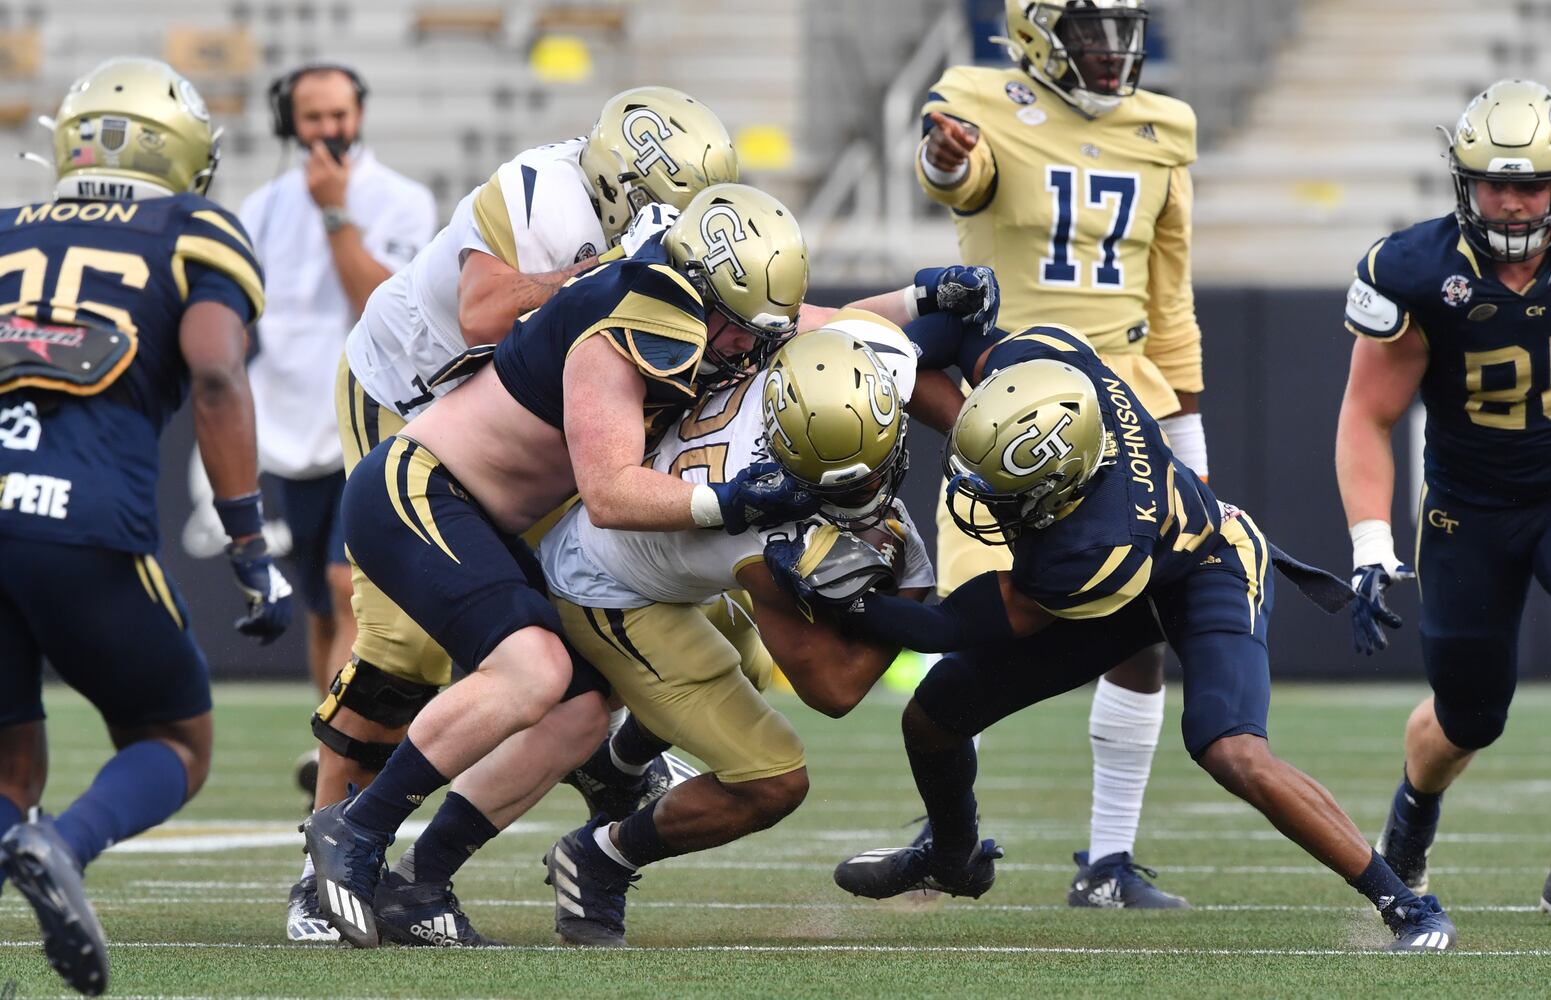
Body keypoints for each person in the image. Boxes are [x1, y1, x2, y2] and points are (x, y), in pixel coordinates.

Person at [774, 323, 1458, 951]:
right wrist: (930, 311)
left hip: (1204, 565)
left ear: (1059, 491)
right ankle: (950, 856)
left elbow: (944, 626)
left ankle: (1405, 905)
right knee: (935, 714)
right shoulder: (1044, 362)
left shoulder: (1086, 551)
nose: (984, 504)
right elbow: (959, 333)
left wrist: (845, 598)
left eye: (1006, 495)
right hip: (1133, 562)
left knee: (1230, 749)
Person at [304, 182, 817, 949]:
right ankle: (356, 827)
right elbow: (609, 494)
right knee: (533, 671)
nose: (744, 347)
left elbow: (812, 324)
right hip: (417, 489)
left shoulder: (691, 303)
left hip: (481, 513)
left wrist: (922, 307)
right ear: (700, 286)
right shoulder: (622, 319)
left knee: (579, 711)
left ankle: (422, 880)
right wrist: (731, 502)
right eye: (736, 327)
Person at [0, 58, 291, 995]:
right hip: (83, 522)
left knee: (11, 763)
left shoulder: (5, 230)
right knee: (176, 739)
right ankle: (65, 845)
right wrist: (249, 543)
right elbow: (214, 371)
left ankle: (23, 834)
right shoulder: (193, 226)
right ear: (184, 154)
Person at [911, 0, 1208, 906]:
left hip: (1123, 398)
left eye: (1123, 28)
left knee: (1137, 629)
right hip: (1011, 394)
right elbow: (955, 180)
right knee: (982, 613)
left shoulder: (1164, 126)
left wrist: (1191, 456)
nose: (1111, 49)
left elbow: (1170, 300)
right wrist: (946, 156)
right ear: (1036, 31)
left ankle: (1107, 862)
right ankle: (946, 830)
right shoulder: (978, 96)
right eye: (1087, 29)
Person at [534, 319, 934, 946]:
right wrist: (915, 580)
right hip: (606, 587)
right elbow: (833, 689)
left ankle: (616, 765)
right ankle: (598, 857)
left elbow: (908, 336)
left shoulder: (828, 371)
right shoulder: (768, 537)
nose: (870, 489)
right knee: (773, 778)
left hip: (659, 566)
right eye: (846, 482)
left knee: (743, 663)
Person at [1335, 79, 1551, 912]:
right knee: (1467, 717)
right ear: (1462, 181)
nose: (1509, 200)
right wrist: (1367, 540)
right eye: (1493, 181)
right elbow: (1367, 414)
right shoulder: (1414, 270)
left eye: (1530, 181)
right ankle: (1412, 814)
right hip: (1468, 507)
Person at [240, 64, 434, 716]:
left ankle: (339, 748)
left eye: (339, 115)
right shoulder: (261, 206)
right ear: (288, 123)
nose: (329, 131)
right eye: (313, 118)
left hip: (368, 415)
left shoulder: (403, 199)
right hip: (290, 426)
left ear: (360, 113)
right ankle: (322, 740)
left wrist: (334, 213)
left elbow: (379, 307)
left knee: (343, 581)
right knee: (318, 604)